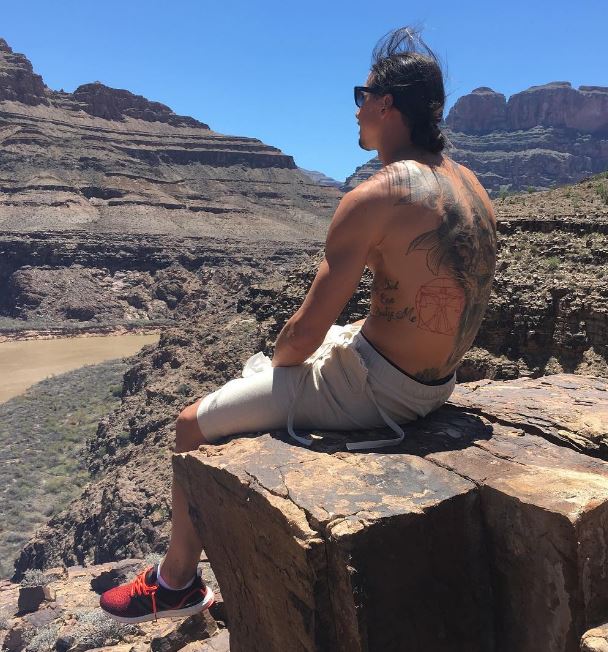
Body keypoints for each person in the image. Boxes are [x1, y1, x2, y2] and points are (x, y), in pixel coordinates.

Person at [100, 25, 497, 623]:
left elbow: (303, 337)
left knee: (189, 425)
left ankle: (175, 580)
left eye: (362, 95)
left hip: (378, 393)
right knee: (281, 364)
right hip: (435, 384)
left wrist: (282, 368)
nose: (358, 108)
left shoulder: (376, 195)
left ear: (386, 105)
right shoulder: (472, 187)